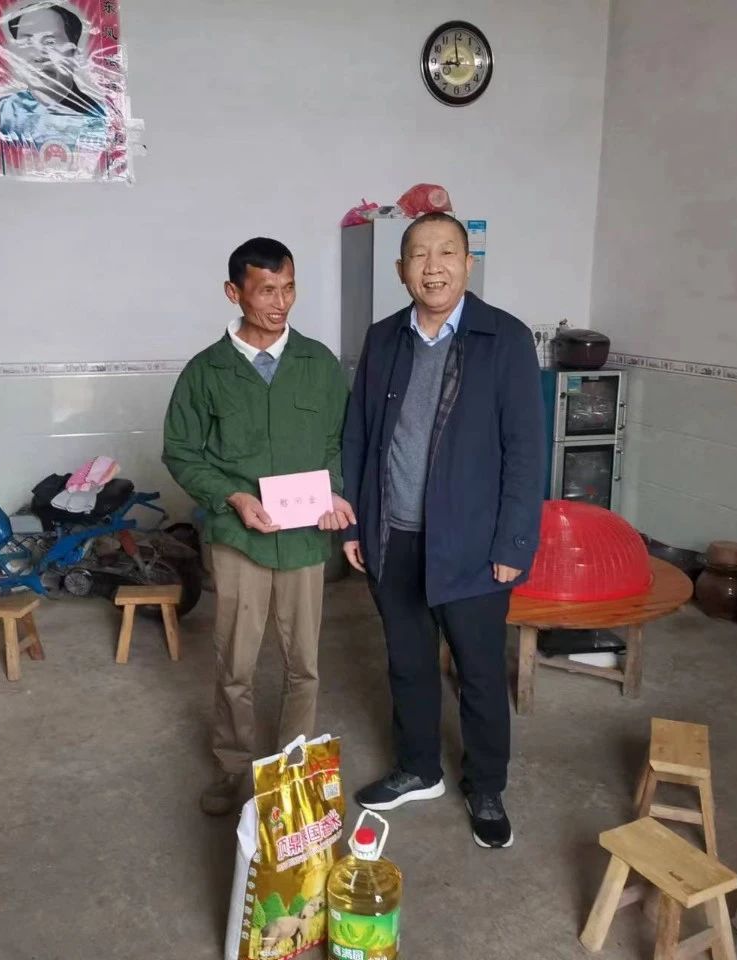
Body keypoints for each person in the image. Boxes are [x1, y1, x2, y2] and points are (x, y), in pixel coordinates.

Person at [342, 212, 546, 849]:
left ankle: (485, 785)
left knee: (480, 672)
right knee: (407, 663)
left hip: (474, 544)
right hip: (394, 536)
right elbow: (359, 436)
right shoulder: (384, 339)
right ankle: (419, 768)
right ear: (400, 269)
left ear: (467, 263)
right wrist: (355, 522)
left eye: (447, 252)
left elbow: (526, 450)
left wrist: (514, 541)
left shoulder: (504, 338)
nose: (433, 267)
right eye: (419, 255)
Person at [163, 238, 355, 816]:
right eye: (267, 289)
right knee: (236, 665)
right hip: (240, 538)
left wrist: (335, 492)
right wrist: (233, 497)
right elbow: (181, 452)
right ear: (234, 292)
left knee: (304, 665)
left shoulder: (318, 364)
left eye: (289, 288)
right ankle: (233, 768)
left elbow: (339, 441)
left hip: (304, 538)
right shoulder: (206, 372)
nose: (281, 302)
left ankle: (292, 772)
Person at [0, 4, 107, 168]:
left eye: (50, 42)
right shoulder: (4, 112)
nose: (38, 56)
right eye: (27, 43)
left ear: (74, 53)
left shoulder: (99, 119)